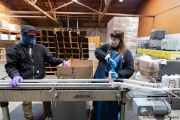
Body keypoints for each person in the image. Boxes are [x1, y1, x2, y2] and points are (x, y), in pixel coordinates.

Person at [5, 25, 68, 120]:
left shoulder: (41, 48)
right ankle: (28, 117)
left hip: (41, 78)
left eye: (34, 36)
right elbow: (11, 66)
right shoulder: (14, 50)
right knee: (26, 101)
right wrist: (15, 75)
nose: (32, 38)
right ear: (23, 35)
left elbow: (51, 59)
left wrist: (61, 61)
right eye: (30, 35)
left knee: (46, 97)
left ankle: (48, 115)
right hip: (25, 80)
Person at [93, 30, 134, 120]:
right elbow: (97, 51)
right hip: (99, 83)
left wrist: (118, 74)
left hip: (114, 86)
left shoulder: (126, 53)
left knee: (111, 108)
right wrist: (106, 56)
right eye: (111, 38)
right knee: (98, 106)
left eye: (115, 39)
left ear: (120, 40)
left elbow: (130, 69)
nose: (112, 41)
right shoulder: (106, 47)